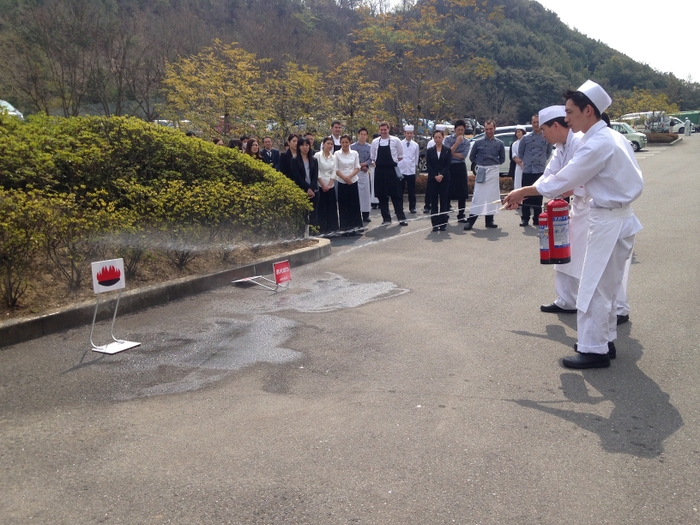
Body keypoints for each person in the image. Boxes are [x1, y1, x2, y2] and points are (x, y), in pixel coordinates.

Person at [503, 79, 644, 369]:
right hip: (615, 217)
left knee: (592, 287)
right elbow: (558, 176)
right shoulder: (610, 137)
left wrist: (523, 191)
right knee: (605, 286)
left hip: (606, 220)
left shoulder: (597, 143)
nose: (566, 118)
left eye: (570, 112)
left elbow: (565, 180)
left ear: (588, 111)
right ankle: (604, 341)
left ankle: (594, 350)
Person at [465, 119, 505, 230]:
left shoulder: (500, 143)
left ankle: (489, 220)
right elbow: (472, 157)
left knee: (492, 196)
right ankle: (471, 221)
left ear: (494, 128)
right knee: (478, 196)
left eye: (490, 129)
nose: (488, 131)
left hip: (493, 170)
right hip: (482, 170)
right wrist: (480, 163)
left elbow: (502, 158)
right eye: (486, 129)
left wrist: (493, 164)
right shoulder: (478, 142)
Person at [370, 121, 408, 226]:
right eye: (381, 130)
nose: (383, 131)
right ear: (379, 130)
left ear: (388, 129)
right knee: (382, 196)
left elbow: (400, 156)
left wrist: (391, 163)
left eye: (385, 129)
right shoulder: (375, 142)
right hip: (379, 171)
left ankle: (401, 218)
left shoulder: (396, 141)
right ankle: (386, 218)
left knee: (396, 195)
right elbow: (372, 157)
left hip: (392, 170)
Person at [517, 114, 552, 227]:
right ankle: (525, 218)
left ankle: (537, 218)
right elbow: (520, 153)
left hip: (539, 170)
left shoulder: (546, 136)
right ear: (531, 124)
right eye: (534, 123)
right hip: (528, 170)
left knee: (538, 195)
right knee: (526, 195)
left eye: (538, 122)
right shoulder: (525, 138)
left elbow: (548, 152)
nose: (536, 124)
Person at [334, 134, 364, 234]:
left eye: (346, 142)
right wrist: (344, 178)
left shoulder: (354, 153)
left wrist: (350, 177)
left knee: (354, 205)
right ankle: (345, 228)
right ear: (340, 143)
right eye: (342, 142)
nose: (345, 144)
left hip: (353, 181)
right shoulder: (337, 154)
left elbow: (357, 167)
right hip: (342, 182)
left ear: (350, 142)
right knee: (343, 205)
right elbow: (336, 169)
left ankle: (356, 226)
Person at [443, 119, 471, 222]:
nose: (460, 132)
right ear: (454, 129)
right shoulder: (448, 139)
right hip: (449, 166)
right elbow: (446, 153)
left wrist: (452, 152)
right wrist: (457, 143)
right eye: (458, 130)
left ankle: (461, 214)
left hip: (460, 167)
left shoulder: (467, 141)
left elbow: (463, 156)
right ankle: (445, 214)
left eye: (462, 130)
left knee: (462, 192)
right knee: (448, 190)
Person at [426, 129, 452, 231]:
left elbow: (448, 164)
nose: (437, 139)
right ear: (433, 138)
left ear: (443, 138)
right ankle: (435, 224)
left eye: (439, 137)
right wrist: (435, 175)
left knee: (444, 201)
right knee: (434, 202)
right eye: (435, 137)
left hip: (444, 179)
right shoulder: (430, 150)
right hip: (433, 179)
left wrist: (441, 175)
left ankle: (443, 223)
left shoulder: (447, 150)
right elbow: (429, 165)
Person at [314, 137, 339, 235]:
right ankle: (322, 229)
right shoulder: (317, 155)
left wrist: (330, 184)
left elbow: (334, 171)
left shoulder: (333, 157)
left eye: (331, 144)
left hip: (330, 185)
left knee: (332, 208)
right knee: (322, 208)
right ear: (323, 144)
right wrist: (323, 185)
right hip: (320, 185)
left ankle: (332, 229)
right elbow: (317, 171)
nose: (329, 146)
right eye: (328, 143)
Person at [293, 138, 319, 228]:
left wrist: (311, 188)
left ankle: (314, 234)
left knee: (314, 215)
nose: (305, 147)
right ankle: (303, 235)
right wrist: (307, 189)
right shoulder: (295, 160)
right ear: (299, 147)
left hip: (314, 191)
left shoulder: (314, 160)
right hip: (302, 191)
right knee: (303, 216)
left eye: (307, 145)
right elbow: (297, 177)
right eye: (302, 145)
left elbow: (315, 176)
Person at [351, 128, 373, 223]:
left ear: (367, 136)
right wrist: (360, 165)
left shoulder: (370, 147)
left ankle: (366, 215)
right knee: (355, 194)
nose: (363, 136)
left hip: (364, 172)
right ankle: (355, 214)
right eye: (361, 134)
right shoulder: (352, 147)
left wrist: (365, 164)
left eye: (365, 134)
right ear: (358, 135)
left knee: (365, 194)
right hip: (353, 172)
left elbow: (371, 158)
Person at [398, 125, 421, 214]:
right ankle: (400, 207)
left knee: (412, 190)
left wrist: (414, 167)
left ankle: (412, 207)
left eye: (411, 133)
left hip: (411, 170)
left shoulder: (415, 145)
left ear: (413, 134)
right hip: (401, 169)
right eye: (407, 133)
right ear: (404, 133)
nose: (409, 135)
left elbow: (416, 157)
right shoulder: (400, 143)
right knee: (400, 190)